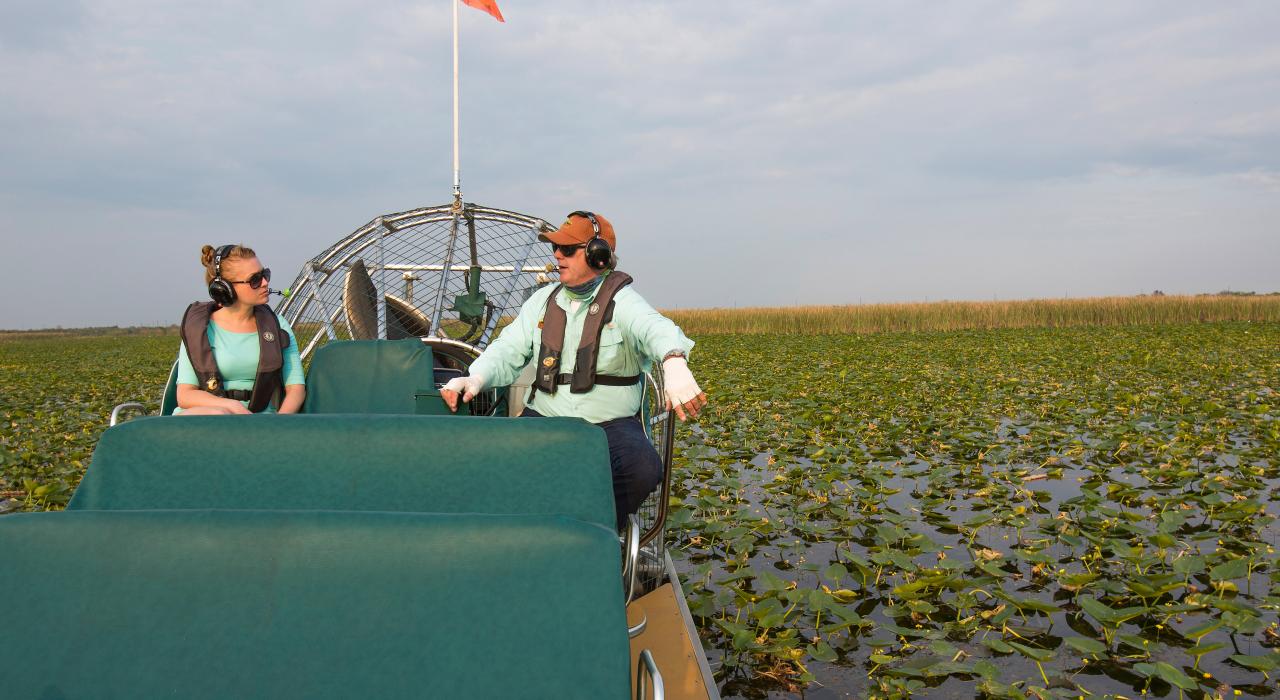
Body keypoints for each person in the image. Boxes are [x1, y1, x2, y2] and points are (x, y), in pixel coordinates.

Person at [441, 211, 707, 529]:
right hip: (543, 417)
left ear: (599, 256)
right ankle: (521, 536)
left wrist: (674, 361)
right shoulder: (542, 301)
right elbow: (506, 350)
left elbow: (656, 329)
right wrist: (475, 377)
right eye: (555, 248)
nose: (557, 255)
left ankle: (593, 533)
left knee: (643, 469)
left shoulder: (623, 302)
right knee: (491, 464)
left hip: (608, 425)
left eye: (567, 250)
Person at [173, 244, 306, 415]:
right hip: (207, 418)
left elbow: (296, 390)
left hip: (262, 423)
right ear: (224, 289)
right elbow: (185, 395)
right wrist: (230, 407)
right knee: (218, 415)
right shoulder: (197, 329)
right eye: (255, 279)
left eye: (265, 274)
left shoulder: (279, 326)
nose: (265, 283)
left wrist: (276, 426)